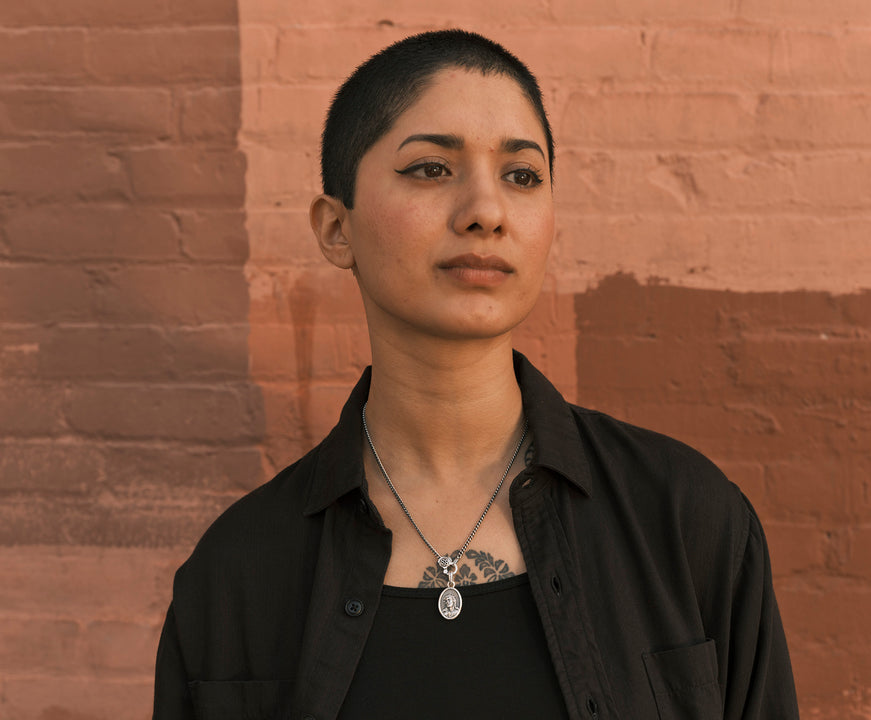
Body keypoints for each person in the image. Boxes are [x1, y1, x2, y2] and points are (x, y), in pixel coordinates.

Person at [152, 30, 799, 720]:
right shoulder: (238, 574)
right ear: (336, 229)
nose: (486, 212)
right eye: (431, 169)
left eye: (522, 176)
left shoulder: (681, 518)